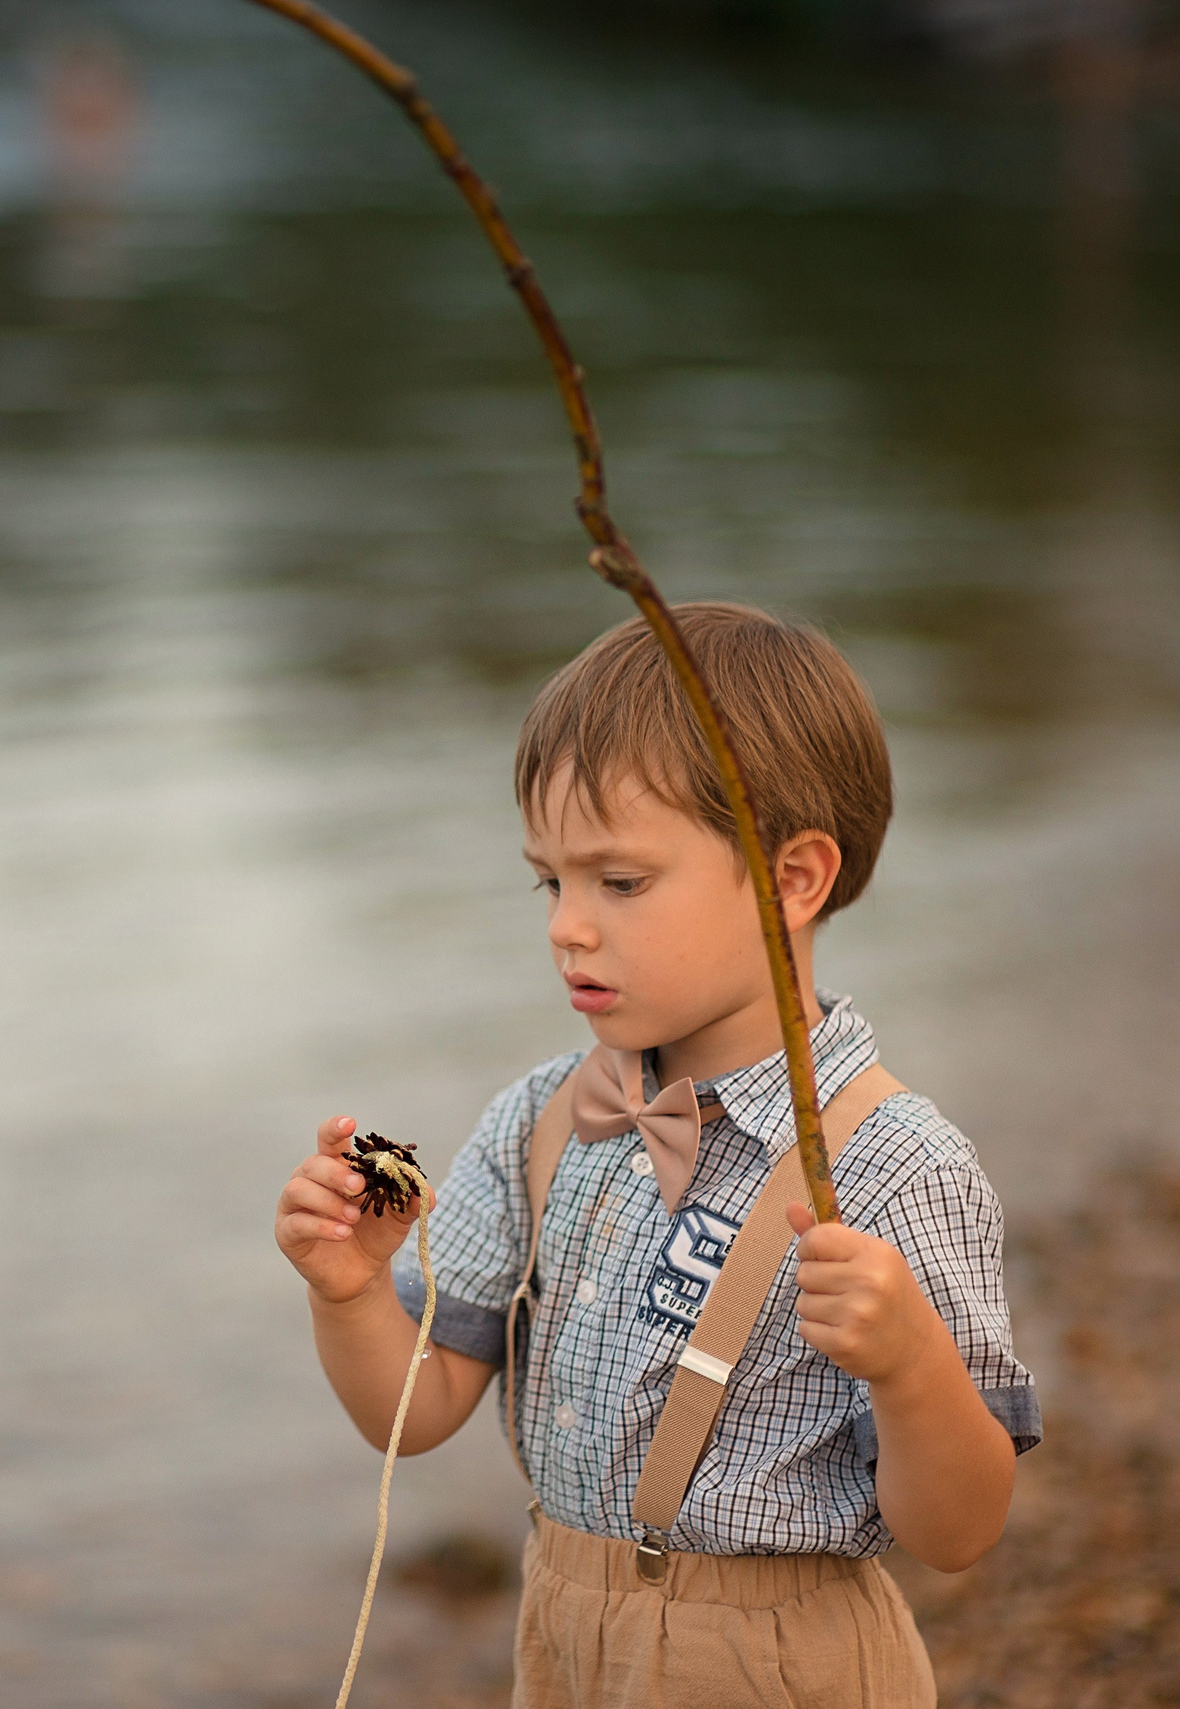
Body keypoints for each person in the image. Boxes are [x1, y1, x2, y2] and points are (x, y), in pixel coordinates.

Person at [273, 603, 1039, 1708]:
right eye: (550, 880)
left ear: (792, 879)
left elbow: (961, 1529)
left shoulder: (894, 1165)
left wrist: (911, 1361)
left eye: (618, 882)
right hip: (566, 1636)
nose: (564, 926)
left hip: (782, 1660)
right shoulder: (539, 1119)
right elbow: (420, 1407)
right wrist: (348, 1294)